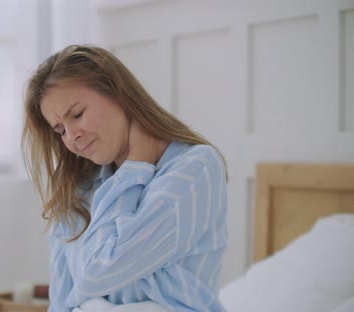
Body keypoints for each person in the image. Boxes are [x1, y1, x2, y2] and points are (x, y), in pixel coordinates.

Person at [21, 44, 228, 312]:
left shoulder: (195, 169)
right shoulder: (78, 186)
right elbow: (63, 297)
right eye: (60, 129)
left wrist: (134, 168)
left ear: (117, 93)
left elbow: (98, 273)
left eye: (77, 114)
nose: (71, 136)